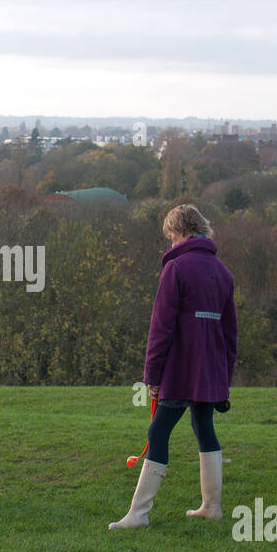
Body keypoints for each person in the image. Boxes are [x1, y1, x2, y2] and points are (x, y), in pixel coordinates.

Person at [111, 204, 237, 530]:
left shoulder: (176, 268)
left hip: (180, 369)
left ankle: (138, 515)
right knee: (204, 429)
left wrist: (151, 376)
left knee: (157, 432)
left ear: (179, 232)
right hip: (211, 370)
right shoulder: (223, 272)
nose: (169, 244)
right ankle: (212, 507)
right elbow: (229, 332)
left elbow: (161, 328)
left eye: (170, 237)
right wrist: (226, 375)